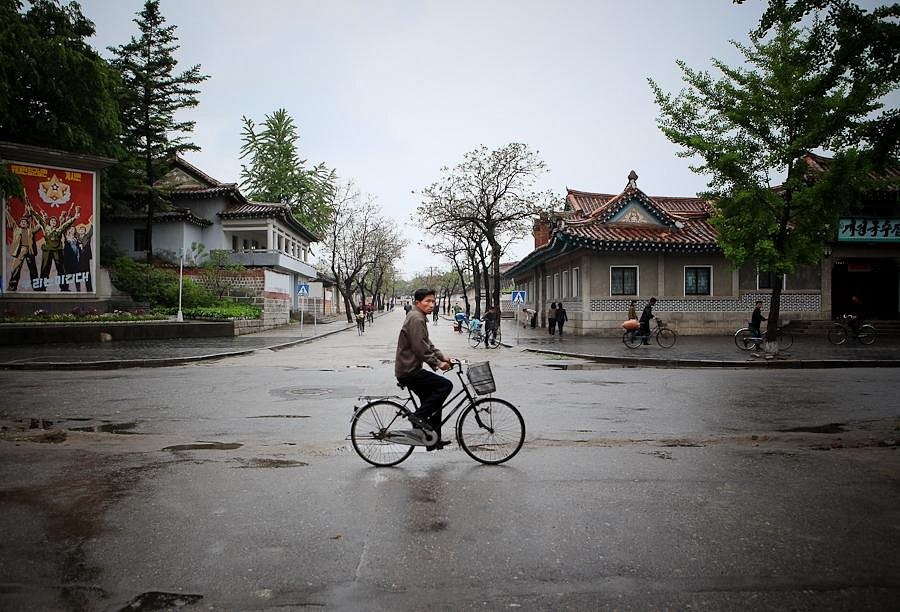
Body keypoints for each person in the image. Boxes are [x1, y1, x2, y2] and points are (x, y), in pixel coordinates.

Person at [395, 288, 453, 451]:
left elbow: (427, 343)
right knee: (445, 385)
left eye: (433, 301)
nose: (431, 304)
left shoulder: (418, 316)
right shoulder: (416, 318)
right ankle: (417, 417)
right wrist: (438, 363)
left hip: (410, 369)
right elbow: (420, 348)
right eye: (427, 301)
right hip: (409, 371)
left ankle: (433, 439)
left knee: (434, 402)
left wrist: (443, 357)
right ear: (417, 302)